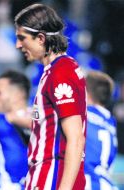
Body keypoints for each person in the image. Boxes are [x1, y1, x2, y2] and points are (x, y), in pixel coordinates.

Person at [14, 3, 87, 190]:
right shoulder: (56, 70)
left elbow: (76, 139)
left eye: (22, 38)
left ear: (40, 38)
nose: (18, 45)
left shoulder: (61, 73)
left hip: (52, 179)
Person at [85, 71, 118, 190]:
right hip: (107, 184)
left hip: (85, 182)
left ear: (85, 92)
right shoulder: (110, 120)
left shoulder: (80, 114)